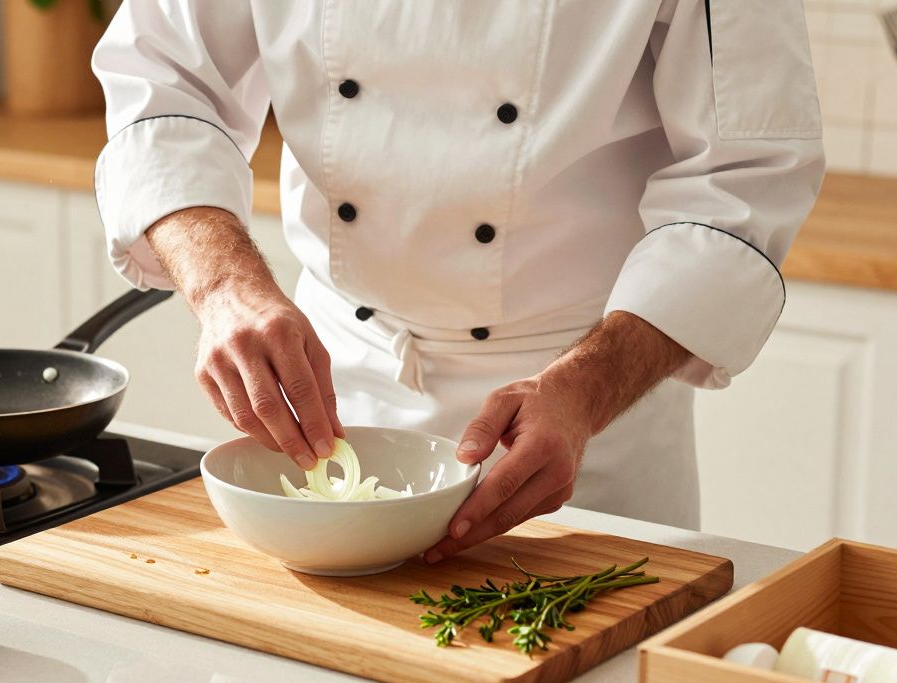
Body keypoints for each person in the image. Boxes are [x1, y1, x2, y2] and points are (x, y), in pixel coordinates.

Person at [92, 2, 824, 563]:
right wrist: (225, 289)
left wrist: (586, 391)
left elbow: (746, 176)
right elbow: (163, 81)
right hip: (334, 389)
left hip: (584, 420)